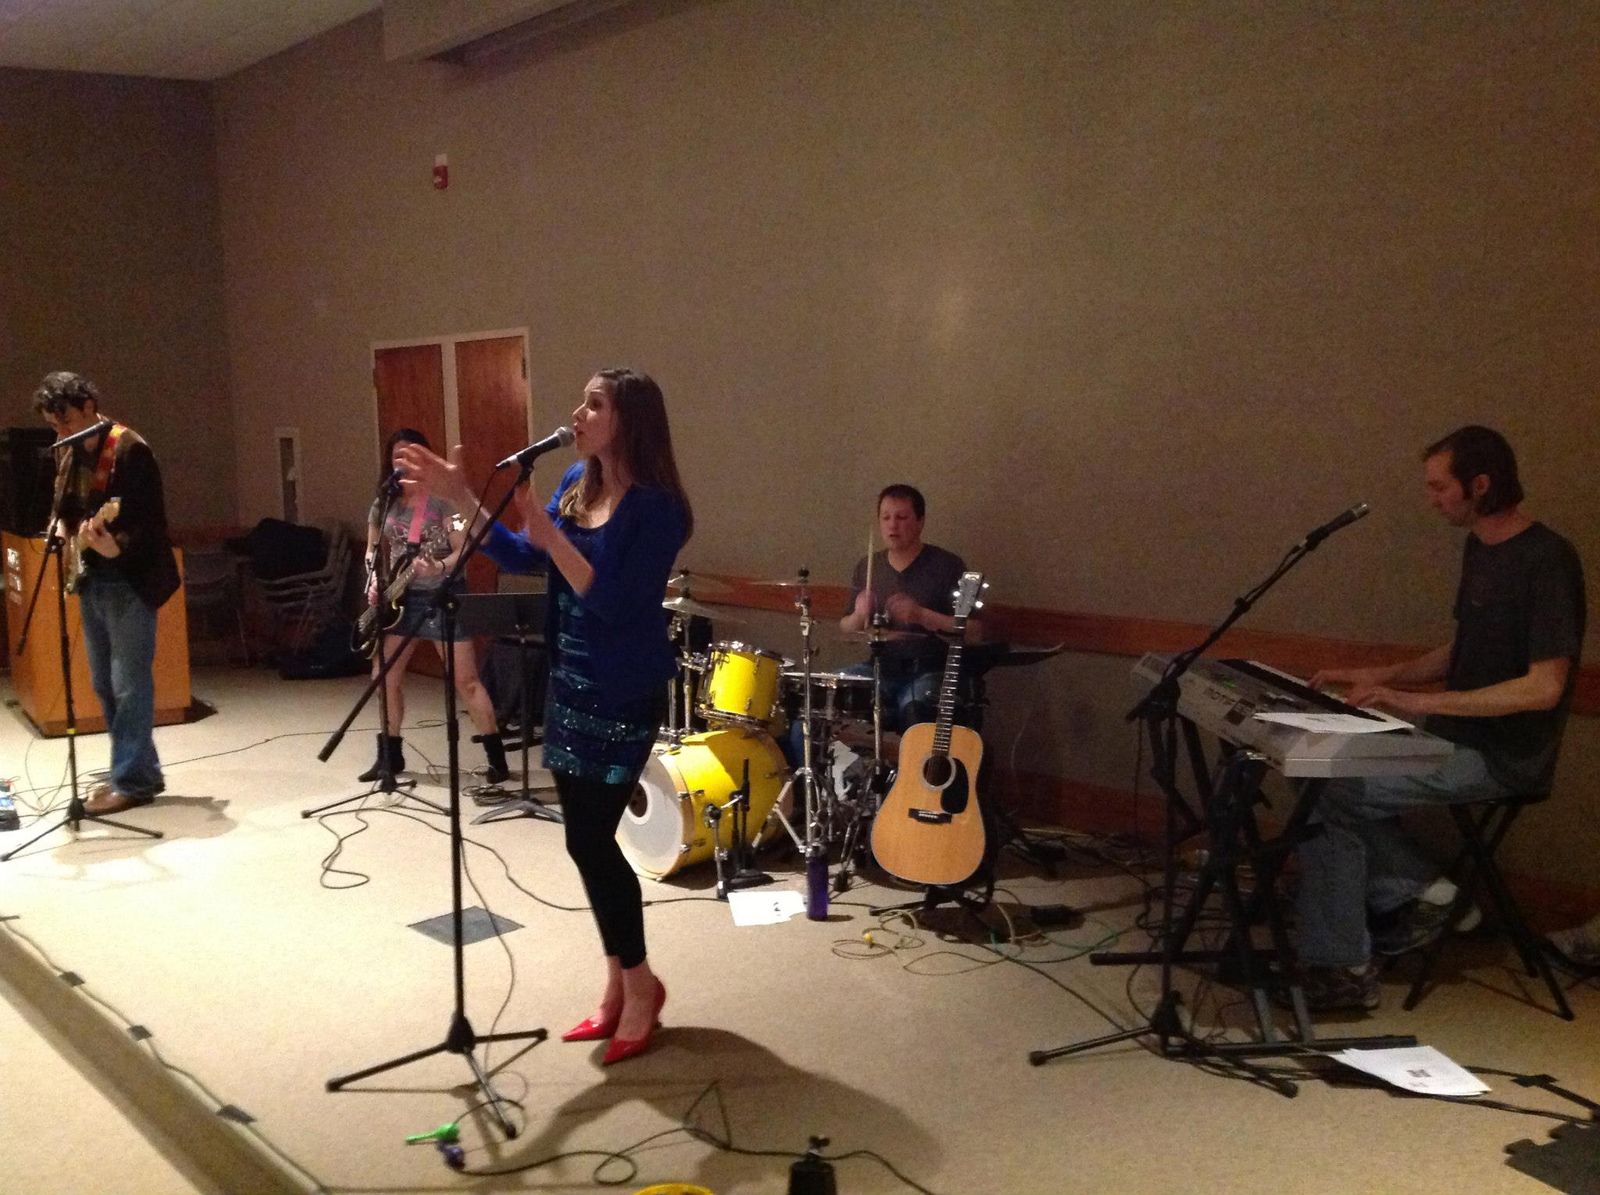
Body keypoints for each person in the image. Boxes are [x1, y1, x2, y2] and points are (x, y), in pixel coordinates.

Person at [398, 368, 691, 1065]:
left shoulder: (659, 510)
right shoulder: (576, 484)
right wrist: (464, 497)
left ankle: (642, 986)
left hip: (623, 693)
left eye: (595, 404)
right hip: (570, 686)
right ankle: (620, 980)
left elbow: (611, 600)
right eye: (582, 401)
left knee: (592, 841)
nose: (577, 414)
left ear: (630, 420)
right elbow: (524, 554)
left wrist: (549, 533)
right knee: (583, 843)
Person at [1298, 426, 1586, 1012]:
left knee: (1335, 790)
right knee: (1311, 769)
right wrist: (1379, 676)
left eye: (1438, 487)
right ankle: (1427, 893)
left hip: (1502, 757)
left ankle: (1344, 967)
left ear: (1479, 485)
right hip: (1453, 737)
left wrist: (1419, 702)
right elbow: (1462, 651)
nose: (1430, 499)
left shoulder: (1548, 560)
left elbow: (1544, 687)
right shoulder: (1480, 548)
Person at [33, 372, 181, 815]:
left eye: (66, 421)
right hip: (92, 577)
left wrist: (117, 546)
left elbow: (151, 522)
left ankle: (131, 781)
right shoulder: (71, 451)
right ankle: (137, 771)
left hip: (129, 579)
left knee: (128, 684)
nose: (61, 432)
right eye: (53, 425)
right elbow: (66, 509)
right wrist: (61, 530)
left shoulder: (130, 450)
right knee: (103, 682)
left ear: (89, 407)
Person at [359, 428, 508, 785]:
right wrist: (374, 579)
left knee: (466, 681)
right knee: (383, 676)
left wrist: (438, 566)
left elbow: (462, 549)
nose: (402, 462)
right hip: (400, 598)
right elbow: (372, 550)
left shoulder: (444, 502)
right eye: (396, 456)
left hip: (444, 595)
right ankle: (389, 755)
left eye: (409, 455)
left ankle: (496, 757)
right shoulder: (384, 502)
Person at [838, 484, 977, 732]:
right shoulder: (868, 565)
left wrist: (922, 615)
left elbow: (976, 631)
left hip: (929, 670)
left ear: (920, 522)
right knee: (830, 697)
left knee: (915, 709)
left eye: (901, 517)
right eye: (886, 518)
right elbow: (845, 627)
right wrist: (859, 615)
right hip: (879, 667)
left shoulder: (948, 565)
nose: (893, 525)